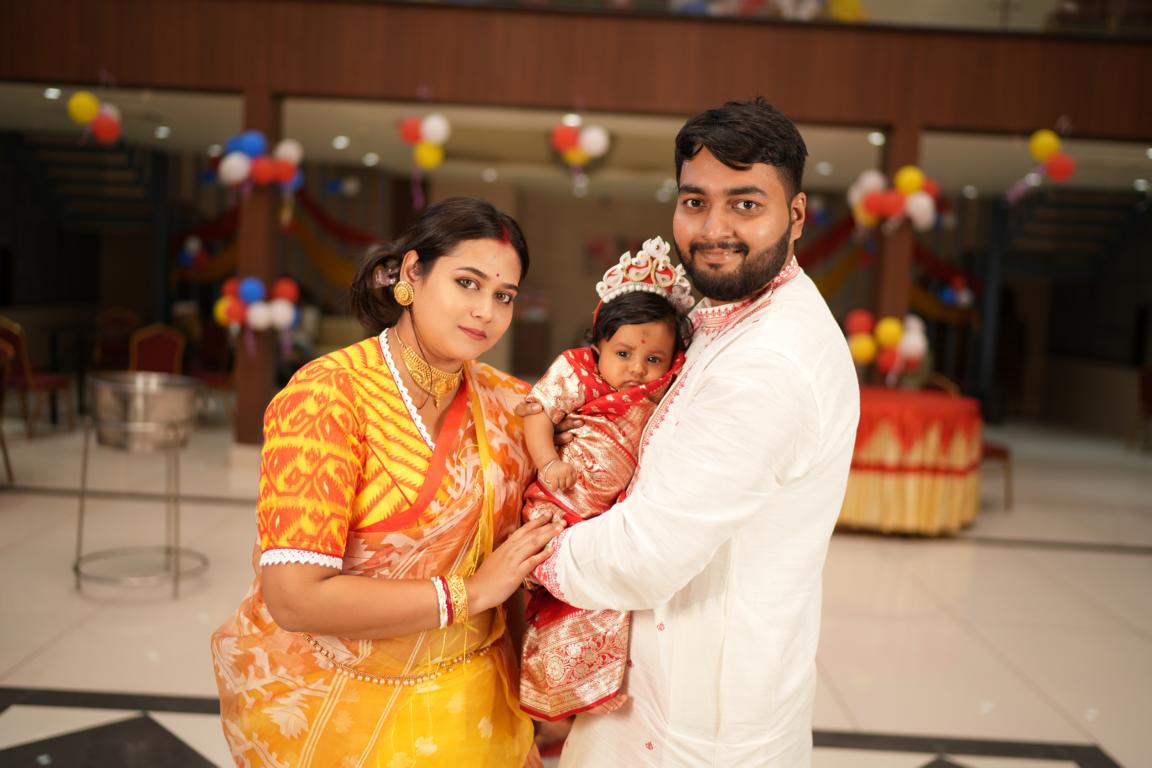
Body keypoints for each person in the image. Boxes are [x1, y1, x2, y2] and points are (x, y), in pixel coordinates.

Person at [525, 98, 860, 765]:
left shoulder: (768, 362)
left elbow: (644, 555)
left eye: (745, 204)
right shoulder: (732, 315)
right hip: (677, 680)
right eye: (695, 201)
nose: (713, 229)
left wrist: (524, 557)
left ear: (795, 216)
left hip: (693, 724)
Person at [210, 197, 564, 767]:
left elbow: (516, 567)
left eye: (504, 296)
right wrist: (470, 594)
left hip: (478, 708)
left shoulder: (511, 404)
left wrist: (535, 689)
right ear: (412, 273)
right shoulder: (327, 396)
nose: (486, 311)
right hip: (341, 709)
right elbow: (294, 597)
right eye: (467, 283)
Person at [518, 236, 692, 723]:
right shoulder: (578, 372)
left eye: (653, 359)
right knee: (553, 596)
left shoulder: (668, 389)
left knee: (602, 600)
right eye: (623, 353)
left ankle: (586, 687)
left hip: (610, 517)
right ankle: (545, 688)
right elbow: (537, 412)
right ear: (597, 346)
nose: (637, 370)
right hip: (560, 504)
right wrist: (549, 462)